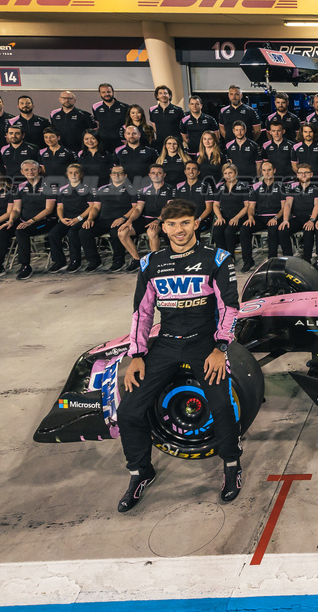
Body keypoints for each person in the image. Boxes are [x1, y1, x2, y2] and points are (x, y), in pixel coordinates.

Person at [115, 198, 243, 513]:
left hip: (205, 342)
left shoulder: (217, 258)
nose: (179, 230)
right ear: (163, 227)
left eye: (185, 222)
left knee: (222, 406)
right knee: (129, 411)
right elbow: (142, 313)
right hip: (167, 342)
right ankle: (140, 472)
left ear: (196, 223)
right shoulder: (150, 263)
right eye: (172, 224)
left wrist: (220, 347)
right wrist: (137, 354)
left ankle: (231, 466)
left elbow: (230, 307)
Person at [82, 164, 141, 273]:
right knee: (84, 231)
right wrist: (90, 218)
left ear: (125, 175)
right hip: (104, 219)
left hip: (121, 219)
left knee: (116, 232)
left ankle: (118, 261)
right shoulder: (102, 189)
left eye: (120, 173)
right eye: (114, 173)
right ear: (110, 175)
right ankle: (94, 261)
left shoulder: (132, 189)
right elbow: (95, 207)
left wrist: (123, 218)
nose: (117, 175)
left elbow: (135, 207)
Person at [48, 164, 96, 272]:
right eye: (70, 173)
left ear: (81, 174)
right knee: (53, 234)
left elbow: (92, 206)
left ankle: (76, 261)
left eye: (76, 172)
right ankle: (60, 261)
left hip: (82, 218)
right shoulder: (62, 189)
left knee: (72, 233)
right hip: (67, 219)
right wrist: (62, 218)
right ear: (67, 174)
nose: (73, 175)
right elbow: (60, 207)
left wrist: (78, 218)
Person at [213, 163, 258, 269]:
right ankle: (223, 258)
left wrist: (237, 217)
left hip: (239, 215)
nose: (228, 175)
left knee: (229, 231)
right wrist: (219, 217)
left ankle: (235, 258)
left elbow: (246, 206)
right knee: (217, 231)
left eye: (230, 173)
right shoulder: (220, 187)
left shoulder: (243, 186)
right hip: (224, 215)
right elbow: (215, 205)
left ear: (236, 173)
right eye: (225, 173)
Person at [279, 163, 318, 261]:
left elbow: (317, 205)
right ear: (297, 175)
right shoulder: (292, 187)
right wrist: (285, 220)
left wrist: (312, 220)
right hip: (297, 218)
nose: (303, 175)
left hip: (310, 217)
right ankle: (289, 259)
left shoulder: (317, 188)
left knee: (308, 230)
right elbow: (288, 204)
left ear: (311, 174)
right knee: (283, 230)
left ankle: (307, 259)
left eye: (306, 173)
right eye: (301, 173)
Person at [249, 161, 284, 263]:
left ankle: (272, 259)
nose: (267, 173)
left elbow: (284, 207)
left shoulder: (280, 186)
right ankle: (248, 261)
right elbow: (251, 207)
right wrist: (250, 217)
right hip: (260, 217)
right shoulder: (256, 187)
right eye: (264, 170)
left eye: (269, 170)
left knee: (273, 228)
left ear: (274, 171)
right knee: (245, 229)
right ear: (261, 172)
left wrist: (276, 218)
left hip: (276, 216)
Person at [174, 161, 217, 243]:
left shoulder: (206, 186)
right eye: (188, 169)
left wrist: (199, 219)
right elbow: (176, 207)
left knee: (192, 227)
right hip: (183, 219)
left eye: (194, 169)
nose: (191, 171)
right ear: (185, 172)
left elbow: (209, 208)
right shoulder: (179, 186)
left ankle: (195, 253)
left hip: (202, 220)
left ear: (198, 172)